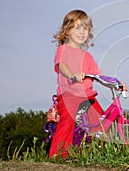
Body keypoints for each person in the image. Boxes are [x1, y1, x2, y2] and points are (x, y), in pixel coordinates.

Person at [49, 9, 102, 158]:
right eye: (78, 27)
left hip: (87, 97)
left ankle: (105, 152)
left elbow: (99, 75)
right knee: (67, 122)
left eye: (85, 28)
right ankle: (57, 156)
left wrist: (116, 83)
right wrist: (72, 75)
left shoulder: (87, 56)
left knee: (102, 121)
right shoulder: (63, 50)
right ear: (67, 30)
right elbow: (62, 65)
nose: (82, 32)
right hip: (69, 96)